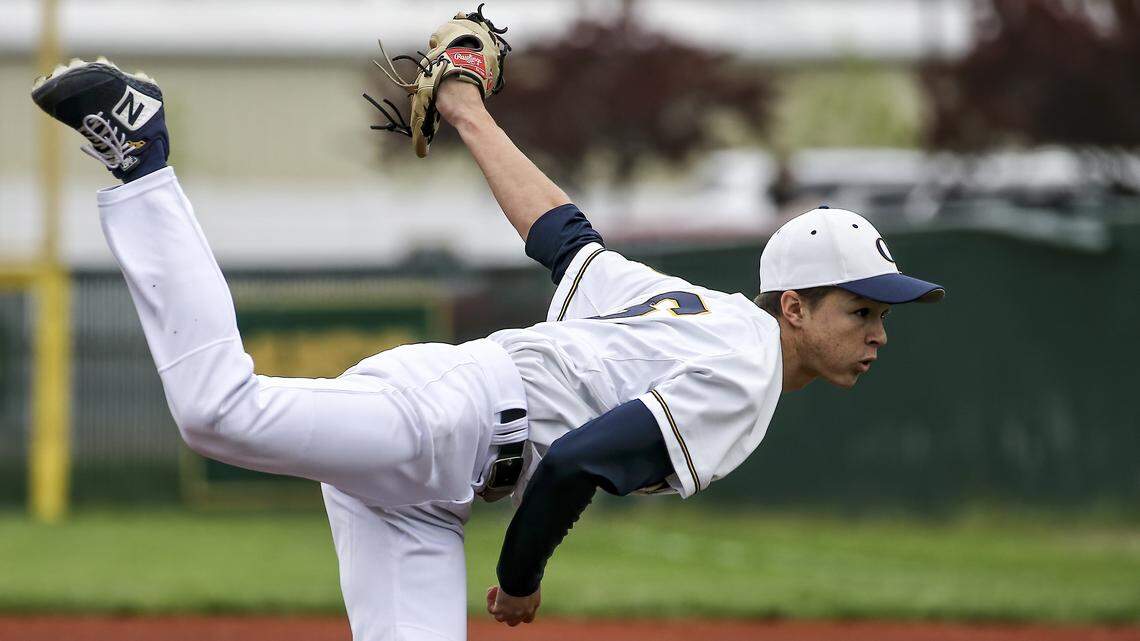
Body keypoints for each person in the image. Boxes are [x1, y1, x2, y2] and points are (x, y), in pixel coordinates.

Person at [31, 57, 944, 641]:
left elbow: (563, 236)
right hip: (453, 419)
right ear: (794, 306)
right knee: (214, 412)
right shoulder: (747, 371)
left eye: (883, 314)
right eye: (861, 310)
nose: (877, 332)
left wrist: (467, 109)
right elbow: (580, 461)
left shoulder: (699, 310)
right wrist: (517, 582)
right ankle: (141, 153)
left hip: (433, 487)